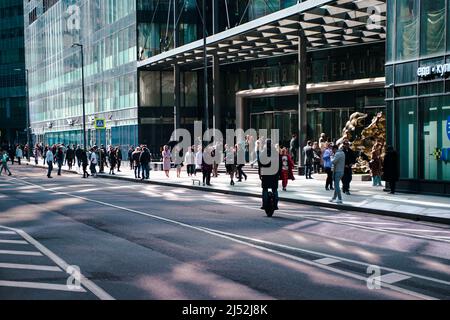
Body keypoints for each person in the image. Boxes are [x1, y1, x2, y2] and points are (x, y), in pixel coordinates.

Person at [258, 139, 282, 211]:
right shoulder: (276, 153)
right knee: (275, 189)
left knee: (265, 189)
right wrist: (279, 174)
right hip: (274, 174)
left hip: (265, 174)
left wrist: (260, 174)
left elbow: (260, 165)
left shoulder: (263, 153)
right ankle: (275, 205)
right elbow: (280, 165)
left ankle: (264, 204)